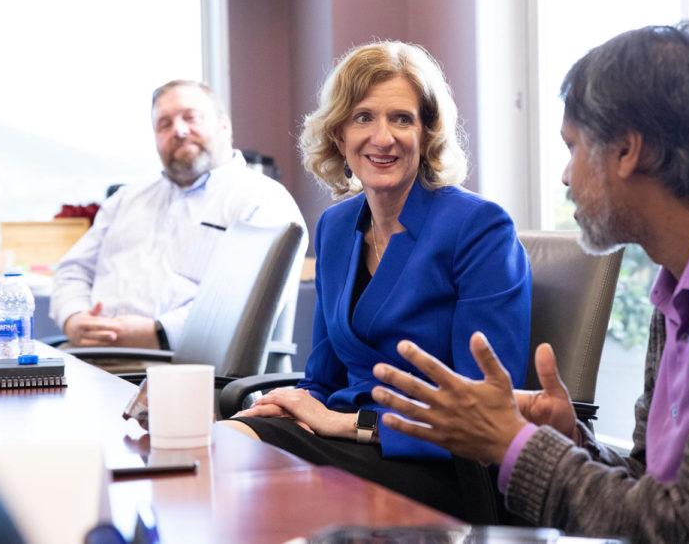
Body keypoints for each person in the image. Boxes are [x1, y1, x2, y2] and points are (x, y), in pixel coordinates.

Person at [370, 22, 689, 543]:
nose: (566, 177)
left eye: (572, 146)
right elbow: (658, 488)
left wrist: (514, 446)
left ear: (627, 151)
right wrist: (568, 440)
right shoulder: (683, 280)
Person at [221, 41, 532, 522]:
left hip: (438, 465)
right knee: (228, 448)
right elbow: (322, 379)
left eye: (402, 119)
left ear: (427, 134)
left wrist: (347, 424)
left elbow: (481, 411)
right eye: (364, 117)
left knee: (239, 469)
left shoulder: (479, 227)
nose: (382, 137)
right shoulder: (337, 226)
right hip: (346, 442)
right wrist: (290, 406)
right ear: (339, 134)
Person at [50, 80, 306, 353]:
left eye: (190, 117)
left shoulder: (261, 200)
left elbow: (246, 302)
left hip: (185, 365)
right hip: (92, 357)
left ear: (224, 125)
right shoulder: (125, 200)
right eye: (164, 124)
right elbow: (72, 270)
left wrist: (158, 333)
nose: (179, 131)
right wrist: (74, 317)